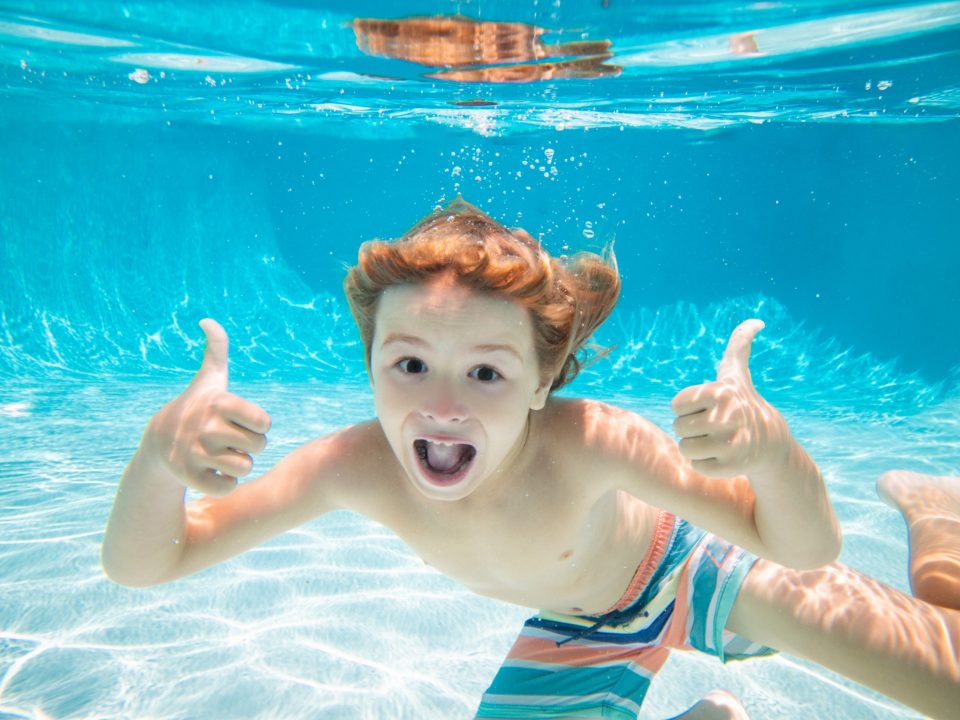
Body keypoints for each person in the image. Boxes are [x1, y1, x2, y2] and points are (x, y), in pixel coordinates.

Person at [102, 199, 959, 719]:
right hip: (581, 628)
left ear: (545, 377)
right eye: (409, 366)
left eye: (486, 372)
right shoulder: (351, 465)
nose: (442, 405)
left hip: (699, 569)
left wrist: (770, 454)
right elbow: (150, 562)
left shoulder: (595, 443)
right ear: (370, 363)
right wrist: (156, 461)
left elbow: (803, 547)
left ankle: (936, 521)